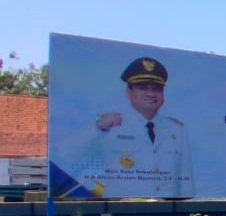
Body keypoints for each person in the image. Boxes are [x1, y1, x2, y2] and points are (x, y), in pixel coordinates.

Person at [79, 57, 194, 197]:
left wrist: (188, 209)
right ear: (128, 92)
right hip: (122, 208)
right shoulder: (110, 124)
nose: (151, 94)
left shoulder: (176, 128)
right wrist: (98, 127)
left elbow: (185, 177)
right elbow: (68, 154)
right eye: (143, 88)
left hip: (168, 208)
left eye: (157, 89)